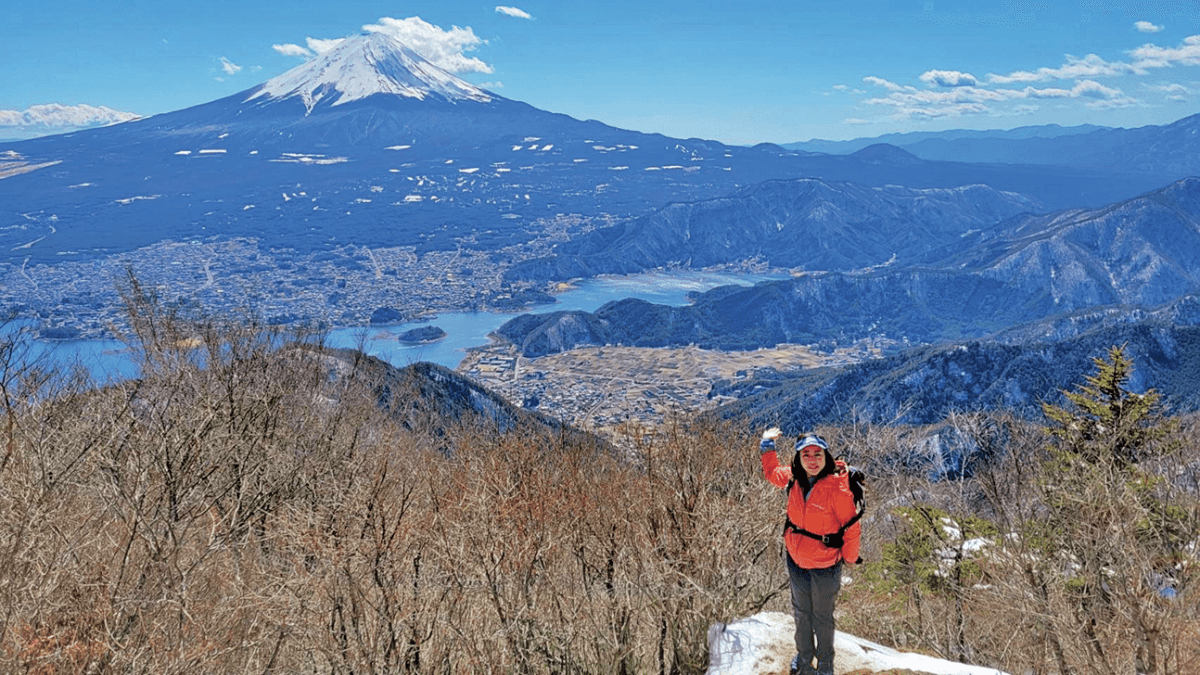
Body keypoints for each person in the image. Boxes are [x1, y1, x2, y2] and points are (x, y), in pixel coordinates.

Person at [759, 427, 861, 675]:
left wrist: (848, 558)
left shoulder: (837, 487)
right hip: (796, 559)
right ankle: (804, 661)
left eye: (818, 454)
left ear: (827, 457)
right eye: (806, 455)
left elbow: (851, 528)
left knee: (822, 617)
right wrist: (767, 445)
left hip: (826, 563)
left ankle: (825, 664)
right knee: (802, 613)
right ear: (798, 458)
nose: (812, 460)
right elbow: (773, 473)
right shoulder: (794, 476)